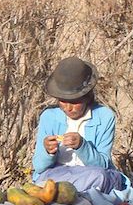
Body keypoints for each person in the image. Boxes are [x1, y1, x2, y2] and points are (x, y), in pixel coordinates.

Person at [32, 56, 126, 193]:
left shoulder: (105, 117)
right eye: (63, 101)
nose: (68, 108)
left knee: (101, 177)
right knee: (44, 182)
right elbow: (39, 167)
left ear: (87, 97)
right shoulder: (49, 117)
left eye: (74, 102)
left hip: (91, 175)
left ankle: (68, 194)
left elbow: (103, 165)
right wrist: (48, 152)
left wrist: (82, 146)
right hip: (58, 176)